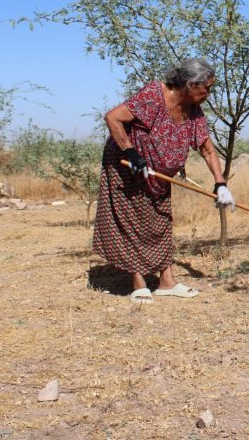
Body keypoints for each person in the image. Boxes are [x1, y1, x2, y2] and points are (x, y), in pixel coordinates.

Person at [92, 58, 235, 304]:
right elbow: (112, 117)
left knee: (161, 220)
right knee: (133, 221)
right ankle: (138, 283)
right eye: (207, 88)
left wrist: (220, 184)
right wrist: (130, 152)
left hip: (158, 176)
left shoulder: (193, 111)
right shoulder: (154, 95)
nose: (209, 94)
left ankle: (166, 282)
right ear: (191, 84)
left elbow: (208, 150)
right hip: (127, 167)